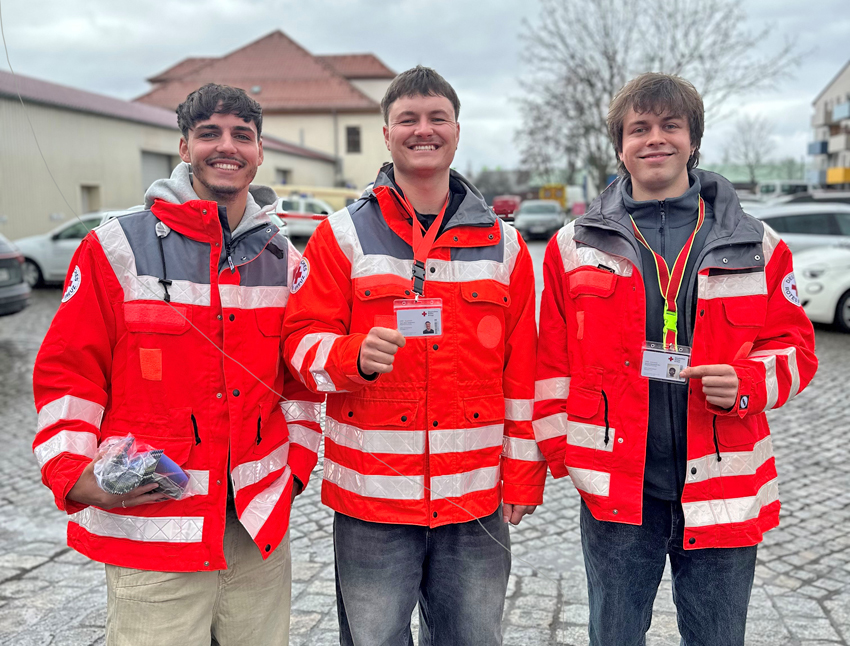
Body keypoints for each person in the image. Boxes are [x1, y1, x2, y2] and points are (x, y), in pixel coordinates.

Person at [32, 83, 322, 646]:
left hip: (255, 532)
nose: (227, 146)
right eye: (209, 133)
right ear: (184, 146)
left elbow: (303, 384)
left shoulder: (284, 261)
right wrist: (72, 472)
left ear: (260, 152)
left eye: (242, 135)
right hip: (154, 531)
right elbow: (70, 374)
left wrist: (295, 471)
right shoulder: (115, 247)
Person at [533, 73, 818, 646]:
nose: (654, 139)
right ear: (620, 145)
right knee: (613, 637)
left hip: (723, 484)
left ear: (693, 140)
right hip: (618, 491)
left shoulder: (757, 244)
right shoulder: (573, 245)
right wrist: (564, 454)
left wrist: (746, 383)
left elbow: (796, 350)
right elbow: (551, 362)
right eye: (639, 128)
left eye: (670, 126)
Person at [282, 66, 546, 645]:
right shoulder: (340, 235)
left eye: (436, 118)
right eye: (408, 118)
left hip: (474, 497)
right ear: (386, 132)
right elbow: (298, 343)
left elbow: (524, 369)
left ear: (456, 130)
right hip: (372, 499)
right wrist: (351, 354)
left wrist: (524, 471)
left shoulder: (505, 246)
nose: (422, 130)